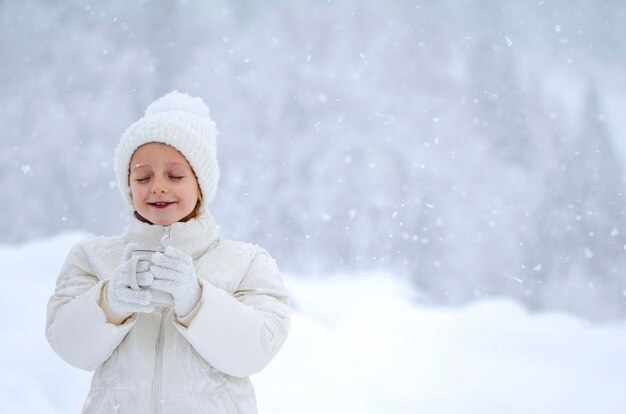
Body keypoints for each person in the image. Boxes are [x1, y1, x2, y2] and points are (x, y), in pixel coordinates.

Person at [46, 91, 292, 413]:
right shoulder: (93, 259)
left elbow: (256, 350)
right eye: (143, 177)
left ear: (201, 185)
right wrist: (110, 302)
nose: (158, 186)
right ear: (128, 186)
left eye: (175, 176)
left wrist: (196, 301)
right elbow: (69, 347)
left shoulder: (246, 263)